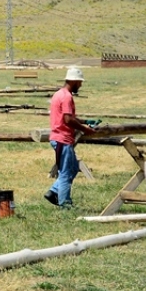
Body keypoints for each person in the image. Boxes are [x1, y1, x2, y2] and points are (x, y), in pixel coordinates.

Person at [45, 67, 96, 209]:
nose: (80, 85)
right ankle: (64, 203)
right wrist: (85, 129)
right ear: (73, 81)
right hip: (63, 139)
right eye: (79, 82)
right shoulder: (67, 97)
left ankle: (54, 192)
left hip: (58, 137)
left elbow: (69, 117)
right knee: (66, 172)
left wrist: (84, 122)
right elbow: (68, 119)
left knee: (73, 168)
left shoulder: (58, 94)